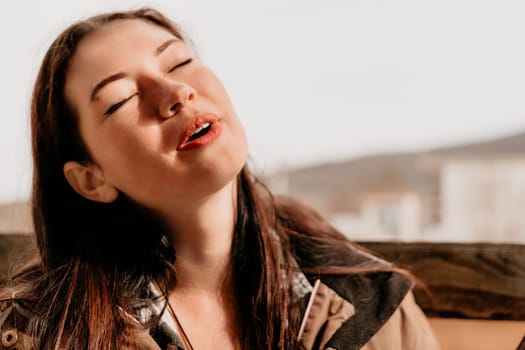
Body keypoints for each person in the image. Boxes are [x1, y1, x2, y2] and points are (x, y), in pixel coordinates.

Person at [0, 7, 440, 350]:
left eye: (180, 63)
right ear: (91, 180)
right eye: (122, 99)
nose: (175, 94)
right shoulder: (33, 333)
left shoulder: (368, 303)